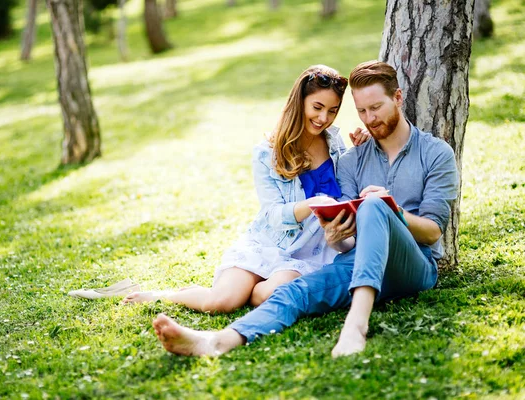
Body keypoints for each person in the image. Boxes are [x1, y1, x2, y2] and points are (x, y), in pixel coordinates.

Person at [150, 60, 459, 357]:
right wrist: (335, 235)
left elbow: (433, 233)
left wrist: (394, 212)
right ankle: (216, 341)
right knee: (291, 293)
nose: (369, 119)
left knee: (376, 205)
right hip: (358, 260)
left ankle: (355, 325)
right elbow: (346, 240)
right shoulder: (352, 160)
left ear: (398, 98)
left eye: (376, 108)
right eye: (362, 111)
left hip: (414, 265)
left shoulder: (436, 153)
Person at [123, 65, 370, 313]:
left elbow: (346, 182)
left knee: (274, 293)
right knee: (220, 303)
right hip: (269, 244)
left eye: (332, 111)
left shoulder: (335, 143)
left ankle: (251, 288)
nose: (323, 118)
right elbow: (273, 215)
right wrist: (314, 205)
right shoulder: (267, 152)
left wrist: (361, 148)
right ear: (300, 102)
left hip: (308, 253)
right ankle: (169, 295)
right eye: (317, 107)